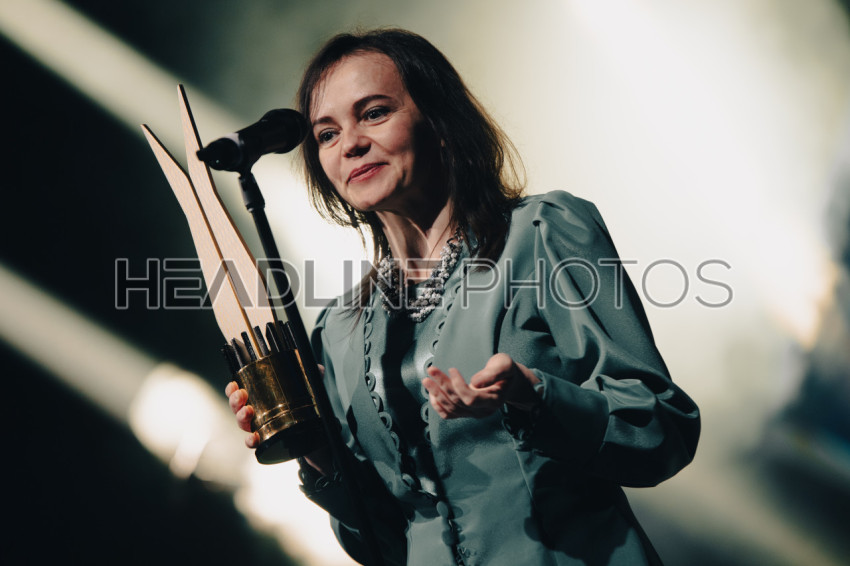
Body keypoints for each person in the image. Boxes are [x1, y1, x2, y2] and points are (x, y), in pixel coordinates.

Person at [225, 28, 700, 566]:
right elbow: (383, 543)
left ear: (440, 122)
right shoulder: (340, 329)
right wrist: (318, 454)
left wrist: (535, 397)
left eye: (374, 113)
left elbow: (662, 429)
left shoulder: (540, 236)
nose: (350, 143)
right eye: (327, 134)